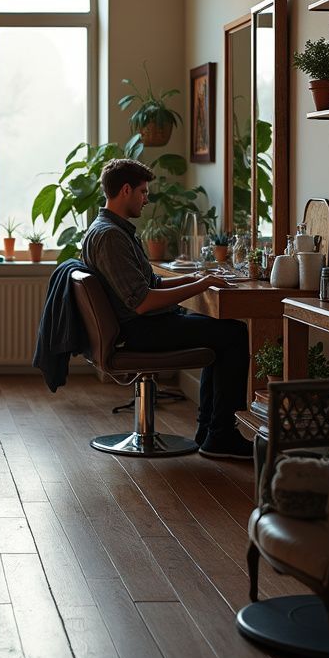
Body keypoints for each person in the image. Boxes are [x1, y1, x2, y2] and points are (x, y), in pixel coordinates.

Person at [82, 158, 252, 460]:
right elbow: (143, 301)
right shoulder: (110, 236)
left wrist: (196, 277)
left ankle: (210, 432)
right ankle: (220, 435)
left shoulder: (112, 230)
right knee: (234, 333)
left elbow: (151, 283)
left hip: (143, 325)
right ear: (125, 190)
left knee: (218, 327)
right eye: (143, 192)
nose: (146, 199)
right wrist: (201, 286)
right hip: (140, 331)